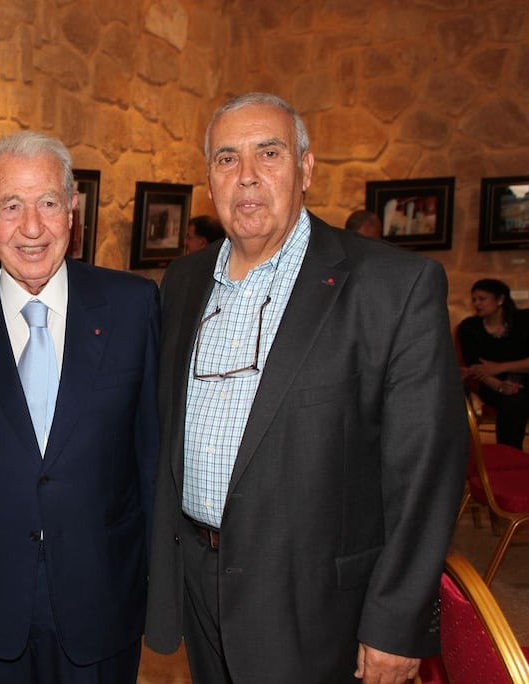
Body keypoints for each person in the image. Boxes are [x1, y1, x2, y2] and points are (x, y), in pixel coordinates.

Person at [145, 93, 467, 682]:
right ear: (208, 177)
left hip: (317, 603)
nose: (246, 177)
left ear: (306, 168)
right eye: (225, 158)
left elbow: (426, 474)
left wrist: (395, 619)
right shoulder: (184, 281)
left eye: (268, 153)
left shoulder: (393, 286)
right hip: (199, 578)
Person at [0, 131, 160, 684]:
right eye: (11, 205)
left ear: (72, 209)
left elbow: (152, 456)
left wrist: (161, 584)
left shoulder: (132, 305)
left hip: (104, 597)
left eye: (48, 203)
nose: (32, 228)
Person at [457, 278, 529, 448]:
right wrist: (500, 386)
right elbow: (475, 368)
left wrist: (498, 367)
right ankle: (510, 454)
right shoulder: (469, 328)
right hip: (492, 386)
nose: (477, 304)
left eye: (482, 299)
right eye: (474, 299)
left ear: (500, 299)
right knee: (513, 401)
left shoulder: (528, 320)